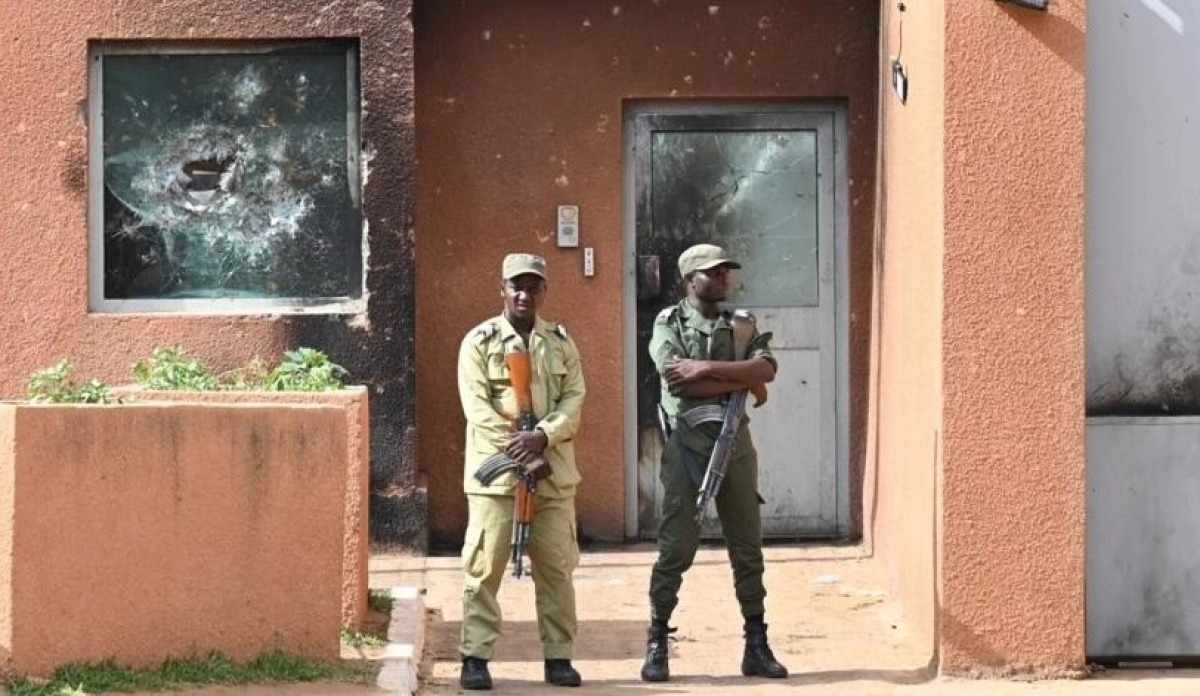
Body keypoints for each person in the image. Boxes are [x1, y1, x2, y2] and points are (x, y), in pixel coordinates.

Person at [640, 243, 789, 682]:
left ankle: (756, 644)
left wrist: (704, 369)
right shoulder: (669, 323)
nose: (724, 277)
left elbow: (766, 368)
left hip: (735, 445)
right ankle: (657, 641)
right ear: (691, 279)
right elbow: (677, 383)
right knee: (676, 548)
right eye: (713, 272)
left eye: (726, 271)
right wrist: (738, 379)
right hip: (687, 447)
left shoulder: (741, 325)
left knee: (747, 548)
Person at [456, 252, 587, 690]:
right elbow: (477, 408)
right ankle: (475, 657)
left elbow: (574, 399)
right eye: (516, 286)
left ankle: (558, 657)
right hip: (497, 479)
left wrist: (543, 437)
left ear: (544, 291)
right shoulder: (480, 342)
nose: (524, 295)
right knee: (484, 569)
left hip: (551, 472)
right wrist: (521, 449)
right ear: (503, 289)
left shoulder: (561, 342)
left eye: (533, 287)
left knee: (556, 570)